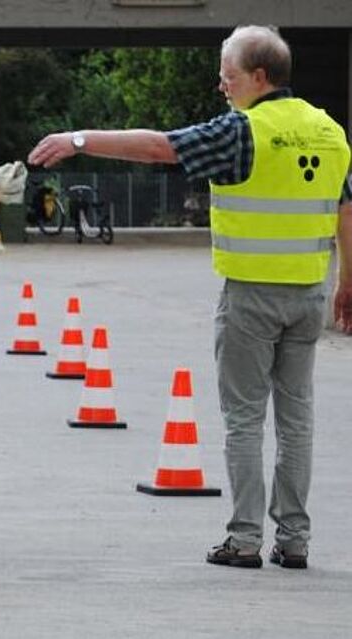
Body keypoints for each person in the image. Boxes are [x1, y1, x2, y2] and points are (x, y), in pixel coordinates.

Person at [28, 25, 352, 569]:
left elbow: (159, 147)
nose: (222, 86)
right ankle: (293, 539)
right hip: (309, 293)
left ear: (258, 76)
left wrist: (81, 139)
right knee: (296, 417)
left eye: (228, 77)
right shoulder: (331, 132)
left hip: (252, 294)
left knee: (245, 417)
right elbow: (345, 209)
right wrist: (348, 283)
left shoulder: (244, 131)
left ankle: (245, 538)